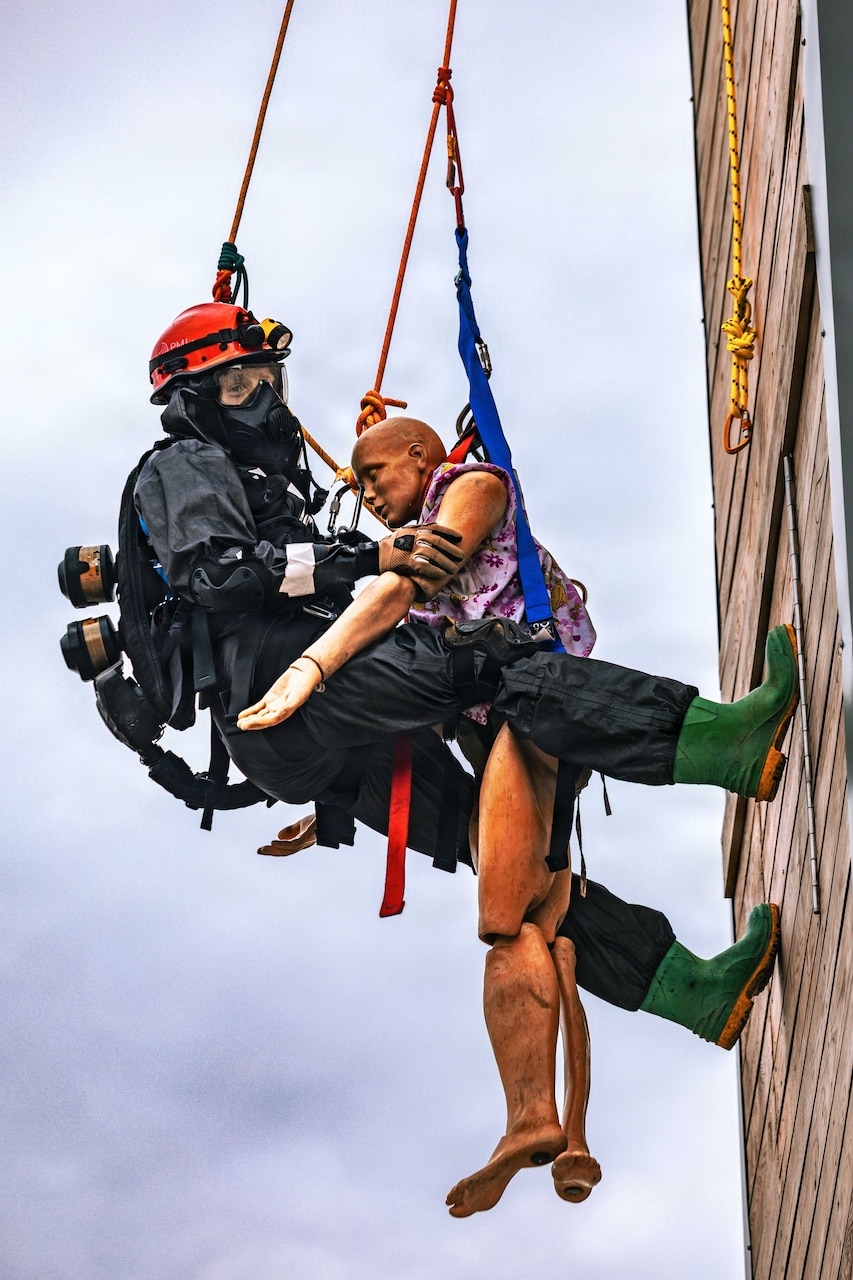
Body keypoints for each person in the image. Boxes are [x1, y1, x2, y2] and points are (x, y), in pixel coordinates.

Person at [137, 300, 785, 1076]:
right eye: (243, 386)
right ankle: (724, 743)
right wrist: (365, 561)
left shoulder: (250, 479)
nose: (267, 403)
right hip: (286, 689)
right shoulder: (184, 462)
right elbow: (215, 574)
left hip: (313, 733)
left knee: (511, 863)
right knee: (498, 662)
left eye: (269, 383)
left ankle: (694, 993)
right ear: (195, 397)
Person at [236, 416, 783, 1212]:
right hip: (499, 728)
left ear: (419, 455)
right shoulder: (415, 537)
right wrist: (332, 807)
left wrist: (312, 667)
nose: (368, 497)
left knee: (531, 719)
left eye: (374, 477)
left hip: (526, 706)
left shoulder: (473, 486)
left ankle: (729, 747)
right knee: (514, 917)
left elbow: (399, 588)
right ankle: (674, 1013)